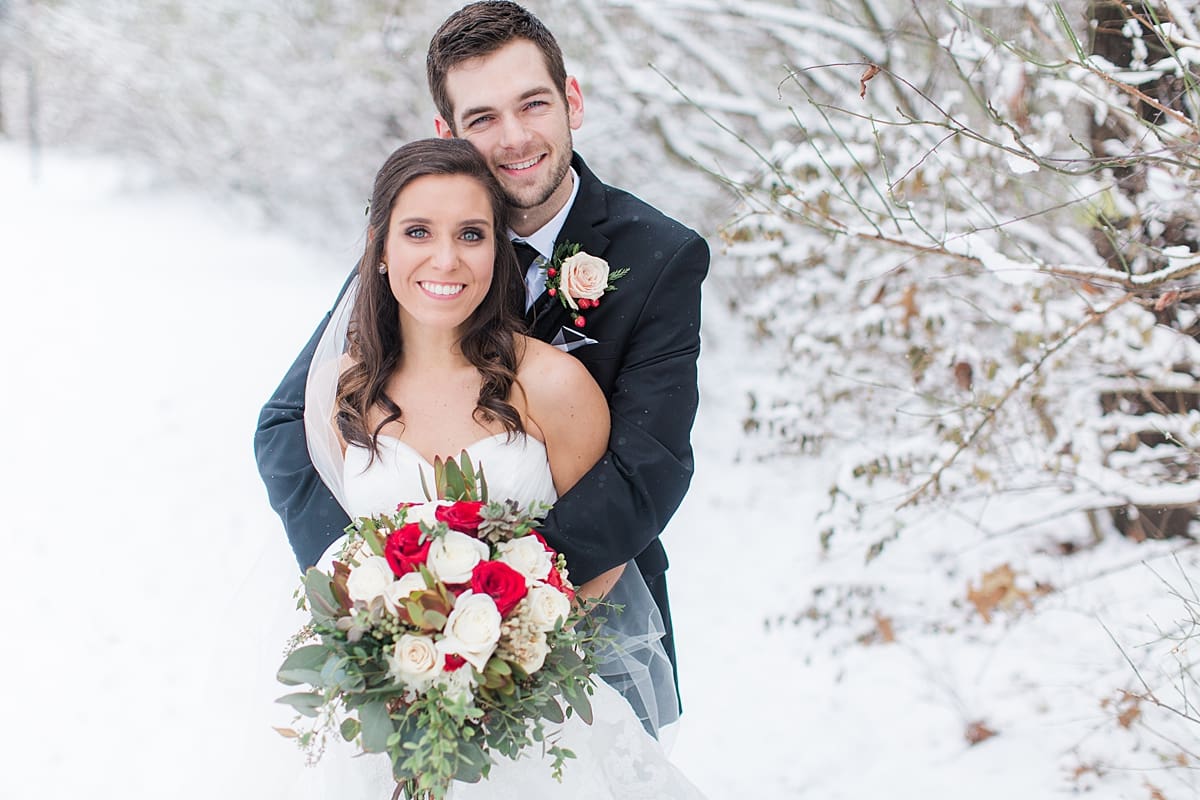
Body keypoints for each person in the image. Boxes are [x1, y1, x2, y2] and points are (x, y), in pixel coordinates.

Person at [254, 0, 709, 709]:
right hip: (404, 647)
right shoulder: (426, 241)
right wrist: (382, 597)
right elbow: (287, 423)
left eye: (532, 104)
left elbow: (649, 468)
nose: (516, 137)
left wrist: (495, 613)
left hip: (590, 627)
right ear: (450, 133)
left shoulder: (659, 256)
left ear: (572, 101)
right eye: (483, 119)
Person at [291, 136, 705, 798]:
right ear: (380, 248)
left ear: (499, 250)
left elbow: (601, 555)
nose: (445, 258)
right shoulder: (346, 388)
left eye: (472, 234)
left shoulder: (552, 384)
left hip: (533, 723)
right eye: (418, 231)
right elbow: (348, 548)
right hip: (391, 727)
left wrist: (502, 662)